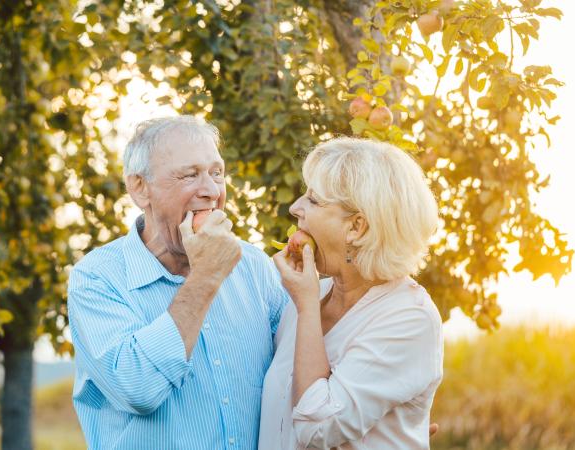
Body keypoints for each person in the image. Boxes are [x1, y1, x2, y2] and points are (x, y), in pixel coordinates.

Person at [66, 115, 290, 449]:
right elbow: (138, 387)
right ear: (140, 188)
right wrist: (205, 278)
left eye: (217, 173)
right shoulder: (97, 278)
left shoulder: (254, 266)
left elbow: (295, 378)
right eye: (189, 175)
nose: (212, 191)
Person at [258, 137, 444, 450]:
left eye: (314, 200)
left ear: (357, 227)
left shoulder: (410, 317)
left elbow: (317, 427)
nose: (295, 208)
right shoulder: (316, 293)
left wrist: (306, 307)